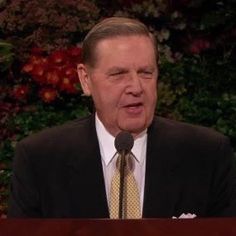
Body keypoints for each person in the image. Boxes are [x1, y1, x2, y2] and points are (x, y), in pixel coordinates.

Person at [8, 17, 236, 218]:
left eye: (146, 73)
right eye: (118, 74)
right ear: (85, 79)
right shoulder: (39, 159)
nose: (136, 87)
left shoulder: (207, 154)